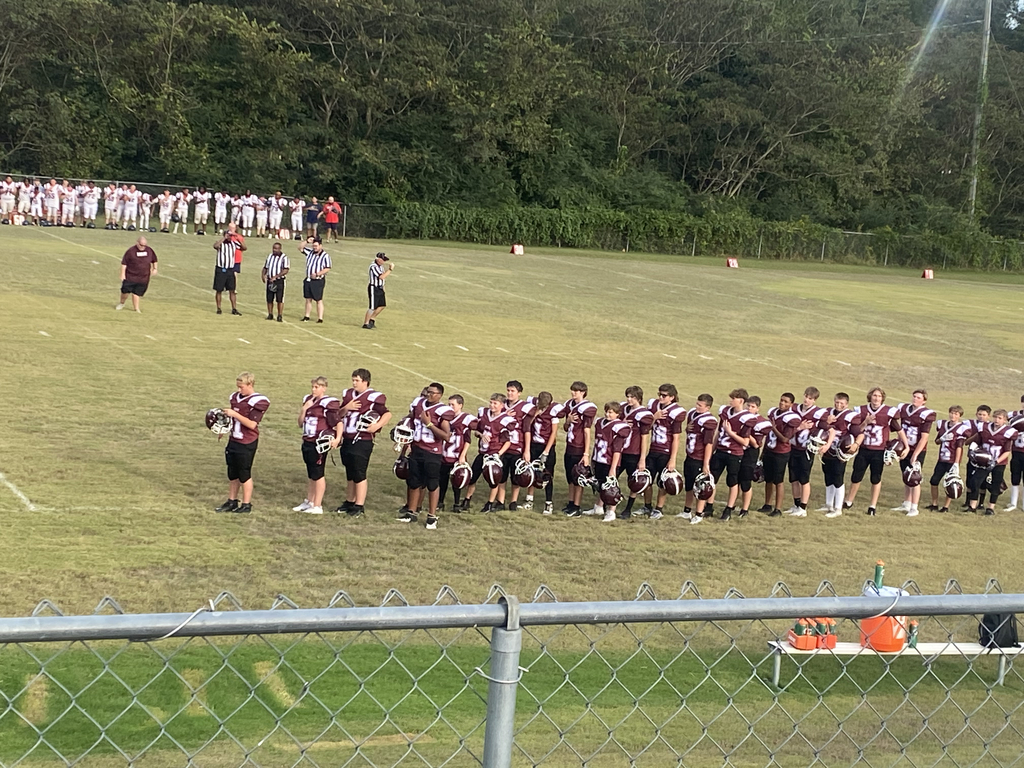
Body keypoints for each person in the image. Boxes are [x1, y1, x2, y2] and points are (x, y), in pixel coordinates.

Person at [336, 368, 391, 517]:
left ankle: (359, 505)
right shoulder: (348, 395)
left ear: (365, 381)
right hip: (347, 437)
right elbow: (338, 414)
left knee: (359, 472)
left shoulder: (373, 397)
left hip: (362, 439)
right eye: (353, 380)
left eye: (357, 380)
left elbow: (387, 414)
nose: (354, 383)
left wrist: (377, 426)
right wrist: (346, 407)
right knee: (350, 472)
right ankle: (349, 501)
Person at [399, 383, 454, 530]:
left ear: (440, 395)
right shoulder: (418, 403)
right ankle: (411, 513)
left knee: (432, 484)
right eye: (428, 392)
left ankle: (431, 516)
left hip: (432, 452)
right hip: (417, 449)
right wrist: (402, 424)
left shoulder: (443, 411)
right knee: (414, 482)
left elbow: (446, 436)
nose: (429, 395)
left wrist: (429, 424)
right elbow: (411, 418)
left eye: (433, 393)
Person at [214, 372, 270, 515]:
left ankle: (246, 504)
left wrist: (235, 415)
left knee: (244, 473)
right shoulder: (235, 397)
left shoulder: (258, 401)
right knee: (232, 473)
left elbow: (252, 424)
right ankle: (232, 501)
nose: (239, 390)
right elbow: (232, 419)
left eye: (242, 387)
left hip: (247, 441)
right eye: (238, 387)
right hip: (234, 439)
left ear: (250, 385)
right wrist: (224, 428)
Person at [846, 387, 907, 516]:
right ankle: (848, 501)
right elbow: (856, 430)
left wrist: (906, 446)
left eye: (879, 396)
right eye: (874, 395)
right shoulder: (861, 410)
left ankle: (872, 506)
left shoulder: (888, 412)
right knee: (856, 477)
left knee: (876, 478)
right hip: (864, 449)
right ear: (870, 396)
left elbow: (899, 430)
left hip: (879, 451)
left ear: (882, 398)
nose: (876, 398)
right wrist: (866, 422)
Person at [293, 377, 341, 516]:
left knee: (318, 474)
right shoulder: (308, 400)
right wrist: (304, 410)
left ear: (324, 388)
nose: (314, 389)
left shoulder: (327, 403)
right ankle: (310, 501)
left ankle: (318, 505)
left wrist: (337, 439)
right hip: (307, 440)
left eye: (317, 387)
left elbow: (338, 422)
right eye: (313, 387)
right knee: (311, 473)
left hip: (319, 442)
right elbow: (300, 423)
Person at [708, 388, 756, 521]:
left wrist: (731, 433)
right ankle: (709, 506)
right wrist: (712, 450)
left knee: (732, 481)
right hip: (720, 451)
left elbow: (745, 442)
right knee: (712, 479)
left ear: (740, 400)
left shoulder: (747, 418)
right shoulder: (725, 411)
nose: (730, 400)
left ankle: (729, 508)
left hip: (735, 453)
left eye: (733, 398)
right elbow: (718, 433)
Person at [644, 383, 686, 520]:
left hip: (665, 451)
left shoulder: (676, 412)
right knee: (646, 479)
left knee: (663, 482)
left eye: (664, 395)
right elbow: (645, 428)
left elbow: (676, 438)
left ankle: (659, 509)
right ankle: (647, 506)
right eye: (659, 394)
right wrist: (653, 418)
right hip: (653, 449)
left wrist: (672, 459)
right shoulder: (654, 406)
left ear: (672, 397)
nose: (660, 397)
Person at [965, 410, 1017, 515]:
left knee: (996, 484)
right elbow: (976, 441)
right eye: (995, 417)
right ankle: (972, 506)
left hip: (998, 462)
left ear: (1005, 420)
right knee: (975, 482)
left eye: (1000, 418)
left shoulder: (1008, 432)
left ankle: (990, 507)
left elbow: (1007, 451)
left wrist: (996, 461)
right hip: (983, 460)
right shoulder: (984, 427)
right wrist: (972, 450)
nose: (997, 420)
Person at [893, 390, 936, 517]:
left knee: (915, 478)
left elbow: (924, 438)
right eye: (914, 396)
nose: (915, 399)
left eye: (918, 397)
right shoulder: (904, 408)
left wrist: (915, 454)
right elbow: (899, 428)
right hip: (904, 447)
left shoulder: (926, 414)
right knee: (905, 475)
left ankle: (914, 507)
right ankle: (906, 503)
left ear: (924, 401)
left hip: (917, 450)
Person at [562, 381, 598, 518]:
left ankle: (576, 506)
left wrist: (586, 453)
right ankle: (571, 503)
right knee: (570, 478)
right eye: (572, 390)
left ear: (583, 392)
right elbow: (565, 428)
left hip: (579, 448)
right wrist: (568, 421)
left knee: (578, 478)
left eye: (576, 391)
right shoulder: (569, 405)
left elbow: (587, 432)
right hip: (569, 446)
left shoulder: (587, 408)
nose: (573, 393)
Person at [589, 402, 629, 522]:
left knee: (611, 487)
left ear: (618, 414)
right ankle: (598, 507)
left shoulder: (619, 427)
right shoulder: (600, 423)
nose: (607, 414)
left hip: (609, 461)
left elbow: (617, 450)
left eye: (611, 412)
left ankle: (611, 512)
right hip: (599, 459)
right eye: (606, 411)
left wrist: (613, 468)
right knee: (601, 485)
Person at [617, 386, 653, 519]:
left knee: (634, 482)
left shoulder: (644, 414)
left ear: (638, 398)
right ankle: (606, 503)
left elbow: (645, 438)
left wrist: (642, 458)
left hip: (633, 452)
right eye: (628, 396)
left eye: (632, 397)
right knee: (610, 477)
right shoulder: (623, 408)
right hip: (620, 451)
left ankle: (628, 509)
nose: (628, 399)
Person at [681, 393, 716, 524]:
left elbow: (708, 444)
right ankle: (687, 511)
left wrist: (706, 463)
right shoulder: (693, 414)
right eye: (697, 403)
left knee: (701, 488)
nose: (697, 407)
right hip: (690, 455)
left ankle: (699, 514)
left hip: (699, 458)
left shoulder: (708, 421)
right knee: (689, 485)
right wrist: (686, 429)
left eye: (700, 405)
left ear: (708, 407)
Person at [439, 394, 477, 512]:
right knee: (442, 480)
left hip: (457, 456)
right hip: (445, 454)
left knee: (458, 481)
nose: (450, 407)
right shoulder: (445, 417)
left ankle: (456, 503)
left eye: (453, 404)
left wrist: (462, 455)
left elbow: (468, 440)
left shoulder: (465, 419)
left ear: (460, 405)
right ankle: (440, 502)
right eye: (449, 404)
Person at [525, 391, 561, 515]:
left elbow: (553, 433)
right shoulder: (534, 409)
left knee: (547, 475)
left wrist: (546, 451)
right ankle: (529, 500)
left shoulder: (553, 414)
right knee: (532, 472)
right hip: (534, 445)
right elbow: (526, 426)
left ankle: (548, 503)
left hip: (547, 447)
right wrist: (535, 415)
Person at [928, 405, 968, 513]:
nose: (953, 415)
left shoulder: (961, 428)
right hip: (942, 459)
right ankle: (934, 503)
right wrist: (942, 438)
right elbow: (936, 442)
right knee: (934, 481)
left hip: (951, 460)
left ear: (960, 416)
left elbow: (959, 446)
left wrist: (956, 463)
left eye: (956, 414)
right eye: (952, 413)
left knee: (951, 484)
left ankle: (946, 506)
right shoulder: (943, 424)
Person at [116, 237, 158, 313]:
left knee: (137, 293)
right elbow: (124, 263)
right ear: (137, 243)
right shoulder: (131, 251)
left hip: (143, 277)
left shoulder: (149, 250)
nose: (143, 247)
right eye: (141, 245)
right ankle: (121, 303)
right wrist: (122, 274)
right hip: (130, 275)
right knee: (125, 292)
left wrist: (155, 268)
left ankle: (136, 308)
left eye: (144, 245)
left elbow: (154, 260)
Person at [214, 223, 246, 316]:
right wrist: (224, 238)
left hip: (230, 269)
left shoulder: (233, 244)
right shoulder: (221, 244)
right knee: (219, 290)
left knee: (232, 290)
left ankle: (234, 308)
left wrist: (237, 238)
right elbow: (215, 246)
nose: (229, 237)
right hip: (221, 268)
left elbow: (244, 248)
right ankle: (219, 308)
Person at [302, 237, 331, 323]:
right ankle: (307, 316)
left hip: (318, 280)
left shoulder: (325, 256)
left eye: (316, 246)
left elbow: (327, 268)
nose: (314, 247)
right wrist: (307, 241)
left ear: (320, 246)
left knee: (318, 299)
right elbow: (300, 247)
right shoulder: (310, 252)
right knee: (308, 299)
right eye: (313, 246)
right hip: (308, 279)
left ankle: (320, 318)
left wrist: (318, 274)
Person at [363, 252, 394, 329]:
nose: (384, 261)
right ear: (378, 259)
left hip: (380, 287)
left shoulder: (381, 266)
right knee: (372, 307)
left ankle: (372, 319)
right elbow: (381, 277)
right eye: (382, 260)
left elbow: (383, 279)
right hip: (374, 288)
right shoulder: (373, 266)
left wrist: (383, 287)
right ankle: (366, 323)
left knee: (382, 305)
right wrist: (390, 270)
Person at [261, 242, 290, 321]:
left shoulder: (284, 257)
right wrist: (263, 275)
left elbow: (286, 270)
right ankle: (270, 314)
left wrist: (276, 276)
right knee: (269, 298)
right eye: (274, 248)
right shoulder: (270, 256)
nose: (275, 250)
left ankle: (279, 315)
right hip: (270, 280)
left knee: (279, 299)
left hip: (279, 281)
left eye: (276, 248)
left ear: (280, 249)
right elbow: (265, 267)